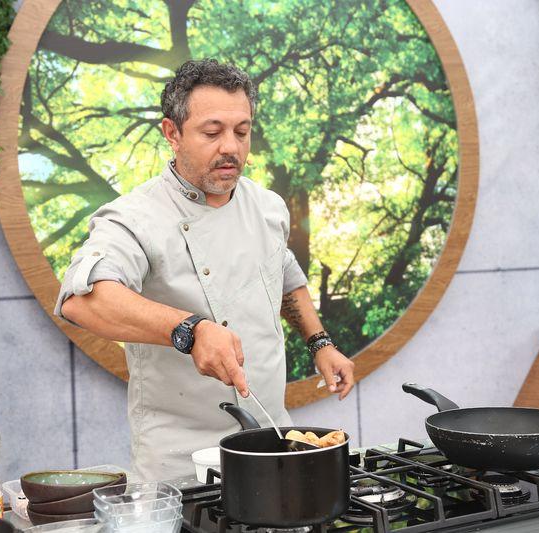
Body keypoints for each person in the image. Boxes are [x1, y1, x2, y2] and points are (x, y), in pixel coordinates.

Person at [54, 58, 355, 481]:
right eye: (212, 133)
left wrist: (320, 343)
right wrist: (190, 330)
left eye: (242, 132)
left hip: (273, 441)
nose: (231, 147)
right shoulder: (134, 217)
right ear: (172, 133)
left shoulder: (268, 207)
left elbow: (283, 273)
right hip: (181, 462)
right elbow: (82, 301)